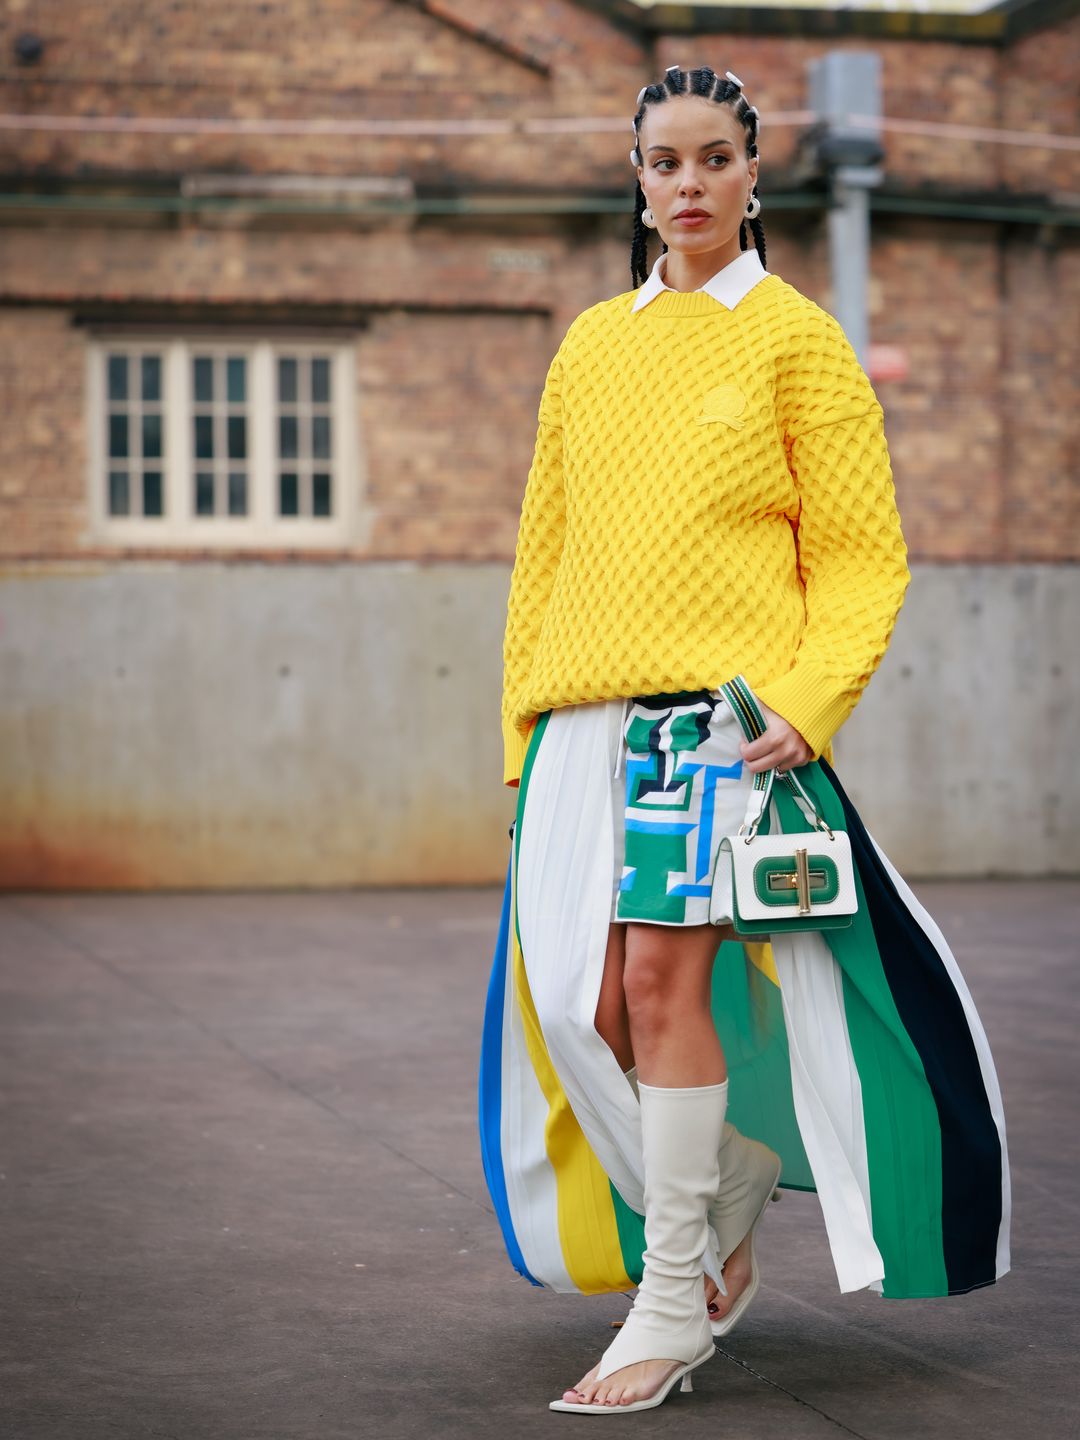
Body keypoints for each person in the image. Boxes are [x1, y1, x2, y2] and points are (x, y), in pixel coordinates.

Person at [479, 63, 1010, 1417]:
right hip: (578, 733)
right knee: (574, 1008)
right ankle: (725, 1180)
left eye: (717, 159)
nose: (691, 185)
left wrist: (805, 698)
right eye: (667, 163)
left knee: (661, 988)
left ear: (755, 175)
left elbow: (860, 557)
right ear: (638, 180)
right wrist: (517, 743)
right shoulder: (590, 345)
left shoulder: (797, 339)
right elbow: (541, 561)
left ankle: (673, 1306)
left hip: (713, 735)